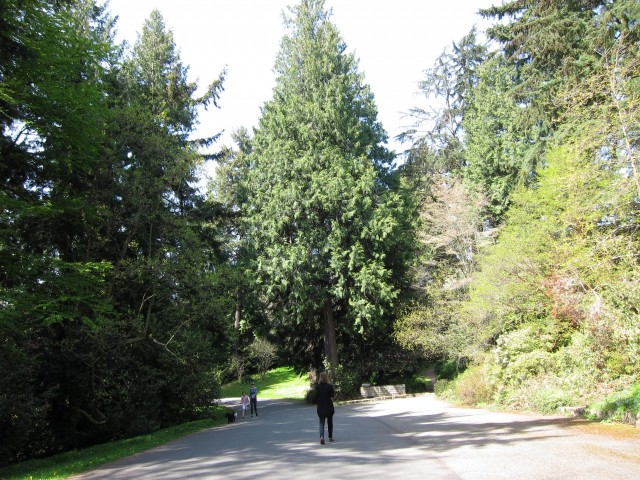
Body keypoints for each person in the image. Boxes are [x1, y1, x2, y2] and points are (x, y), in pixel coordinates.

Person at [316, 371, 335, 444]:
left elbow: (316, 397)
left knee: (321, 422)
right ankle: (330, 437)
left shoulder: (317, 387)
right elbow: (332, 397)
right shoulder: (330, 386)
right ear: (327, 378)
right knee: (330, 422)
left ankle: (321, 437)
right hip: (329, 406)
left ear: (320, 378)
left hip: (321, 407)